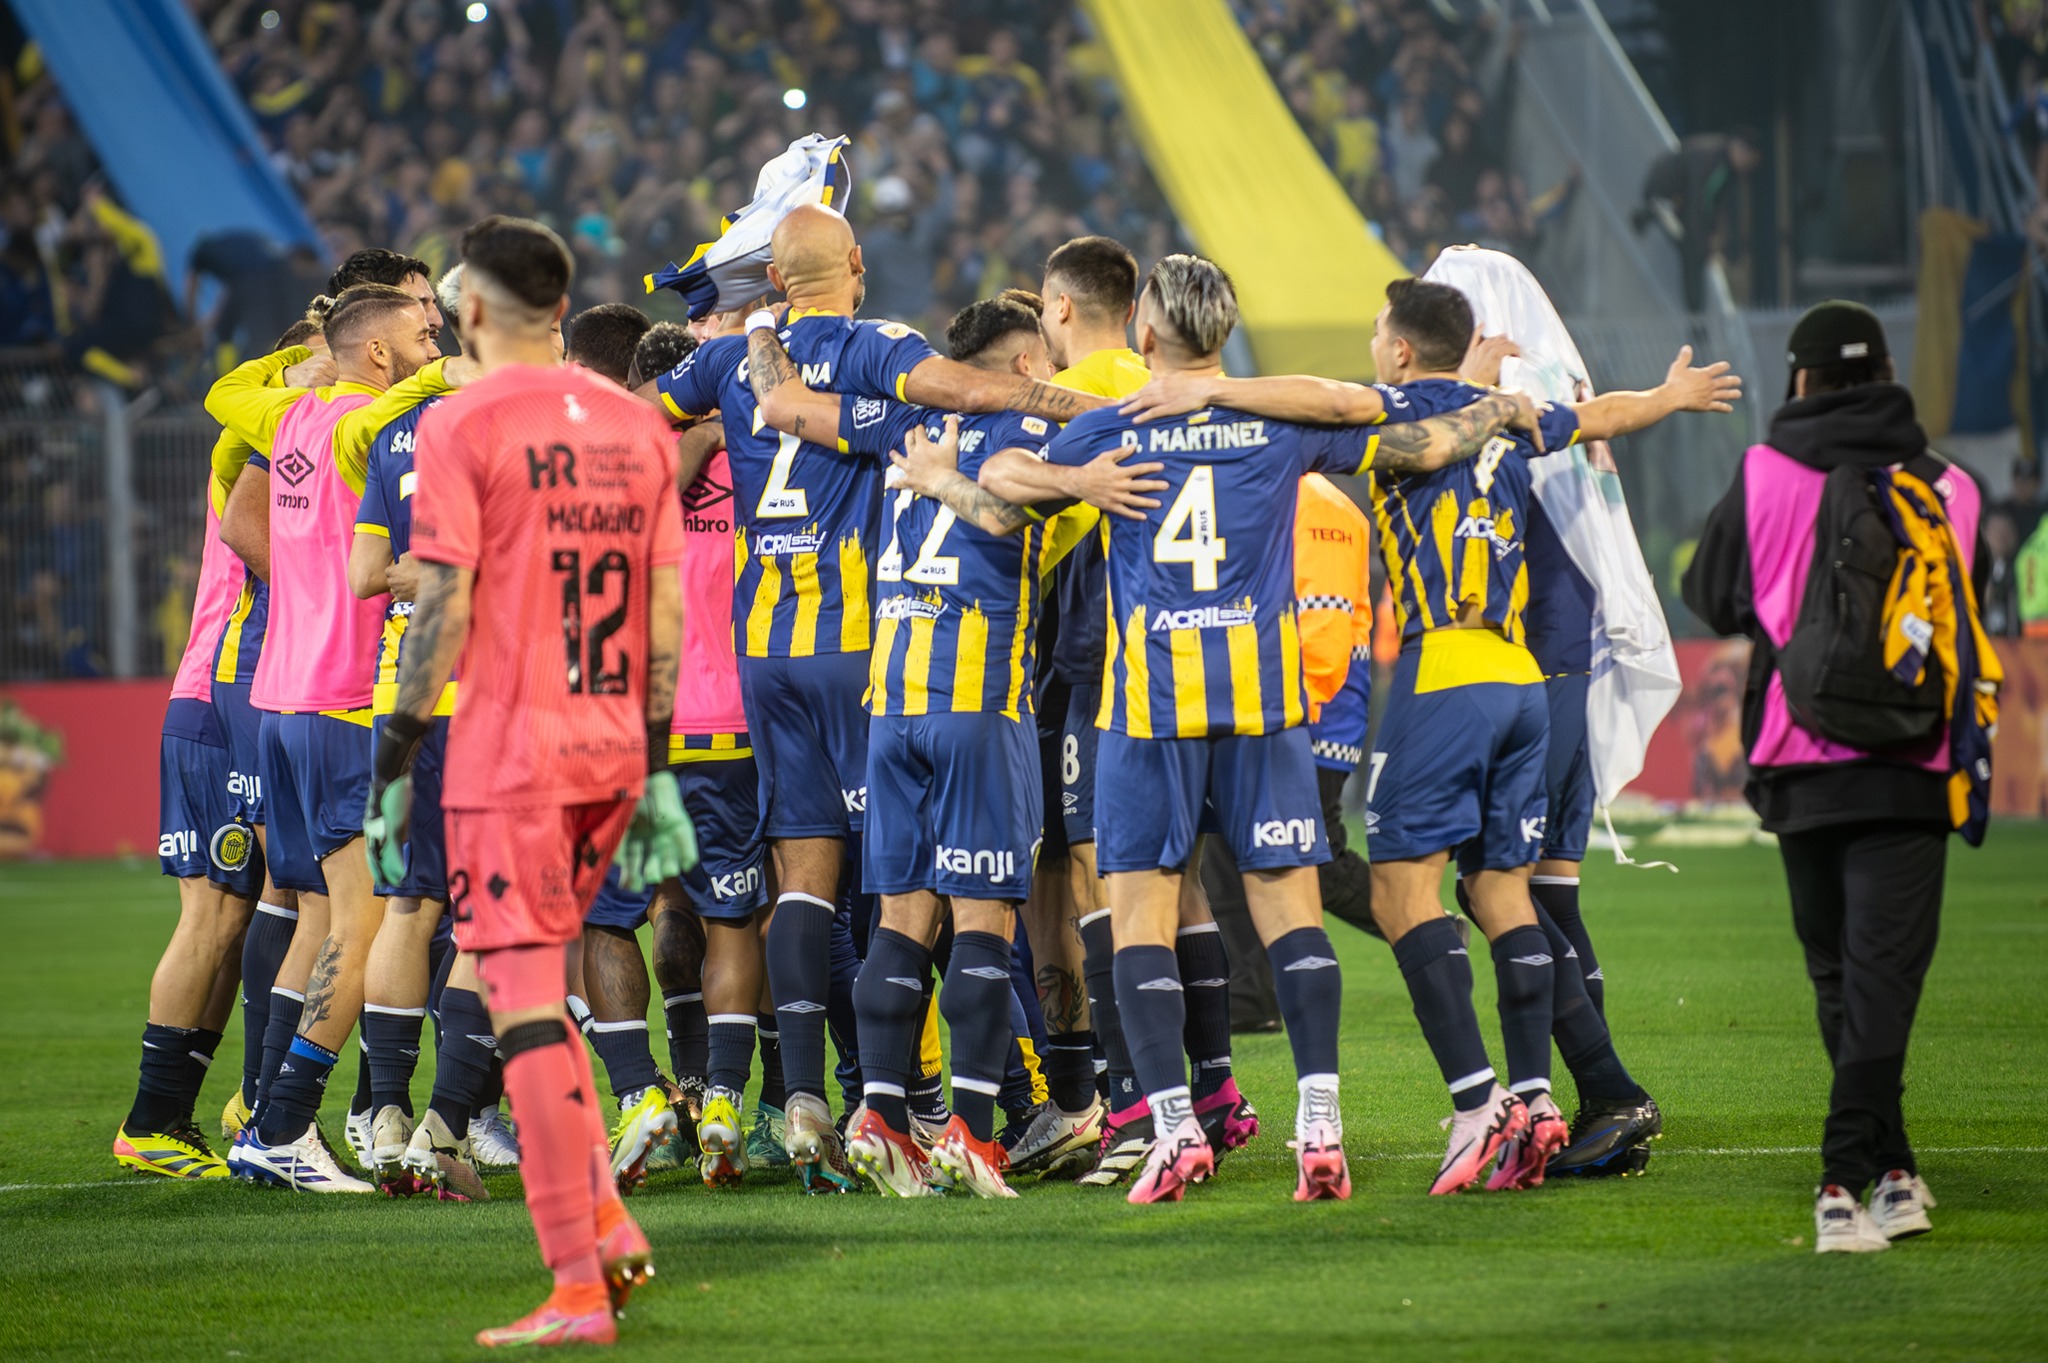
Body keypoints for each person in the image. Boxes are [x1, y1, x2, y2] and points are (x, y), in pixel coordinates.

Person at [1118, 276, 1736, 1196]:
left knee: (1407, 896)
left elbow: (1324, 403)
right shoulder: (1507, 413)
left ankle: (1479, 1104)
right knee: (1502, 891)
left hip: (1444, 675)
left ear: (1402, 351)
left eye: (1377, 331)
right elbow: (1596, 414)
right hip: (1523, 676)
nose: (1370, 342)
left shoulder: (1395, 415)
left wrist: (1212, 388)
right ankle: (1535, 1098)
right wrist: (1669, 398)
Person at [1036, 255, 1550, 1204]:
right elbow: (1381, 419)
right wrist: (1492, 409)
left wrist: (1054, 476)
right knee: (1290, 911)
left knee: (1142, 909)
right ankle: (1322, 1120)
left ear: (1145, 335)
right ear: (1225, 334)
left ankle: (1177, 1128)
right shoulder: (1282, 422)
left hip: (1152, 707)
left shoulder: (1110, 428)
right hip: (1266, 707)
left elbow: (1003, 479)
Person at [648, 202, 1110, 1191]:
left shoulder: (750, 363)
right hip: (888, 658)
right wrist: (1081, 408)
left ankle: (828, 1099)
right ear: (856, 264)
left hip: (766, 655)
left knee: (823, 889)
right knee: (968, 908)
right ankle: (986, 1115)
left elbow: (707, 413)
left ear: (773, 281)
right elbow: (970, 410)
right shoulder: (885, 358)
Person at [744, 292, 1162, 1198]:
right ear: (1019, 367)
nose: (1051, 378)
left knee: (901, 920)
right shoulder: (1036, 430)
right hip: (979, 708)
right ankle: (972, 1134)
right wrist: (1081, 479)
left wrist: (758, 323)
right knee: (983, 923)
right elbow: (1010, 496)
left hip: (889, 710)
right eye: (1041, 368)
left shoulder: (897, 424)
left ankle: (884, 1118)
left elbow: (780, 405)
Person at [370, 214, 693, 1345]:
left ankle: (574, 1288)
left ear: (467, 311)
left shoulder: (460, 423)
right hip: (612, 753)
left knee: (520, 1009)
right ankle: (605, 1228)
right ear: (560, 307)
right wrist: (652, 769)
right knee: (542, 992)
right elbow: (663, 611)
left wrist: (395, 747)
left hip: (509, 757)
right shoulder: (638, 426)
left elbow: (443, 603)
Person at [1682, 300, 1997, 1253]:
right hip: (1909, 764)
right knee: (1885, 981)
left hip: (1797, 759)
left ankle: (1874, 1173)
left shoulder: (1760, 472)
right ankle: (1858, 1176)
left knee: (1840, 975)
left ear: (1801, 378)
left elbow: (1712, 594)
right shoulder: (1953, 487)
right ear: (1890, 370)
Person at [206, 283, 461, 1192]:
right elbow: (419, 397)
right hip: (349, 699)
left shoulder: (292, 413)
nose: (436, 346)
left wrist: (299, 361)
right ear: (382, 356)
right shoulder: (366, 425)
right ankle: (284, 1126)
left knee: (321, 917)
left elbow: (222, 391)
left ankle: (266, 1119)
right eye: (421, 336)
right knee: (363, 924)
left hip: (279, 700)